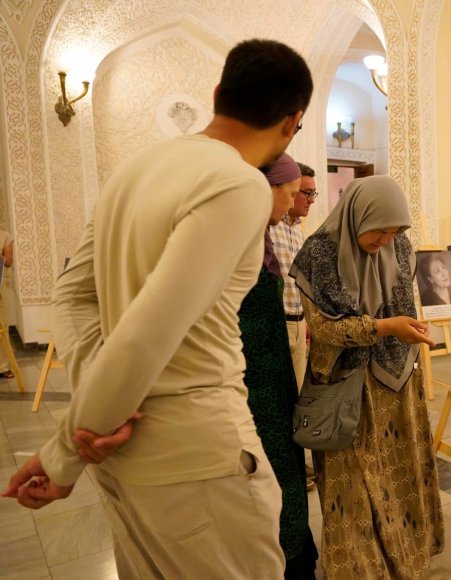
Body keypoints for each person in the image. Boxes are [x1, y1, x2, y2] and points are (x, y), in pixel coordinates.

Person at [2, 39, 313, 578]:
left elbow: (72, 296)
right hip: (197, 457)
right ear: (293, 122)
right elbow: (146, 335)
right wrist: (67, 452)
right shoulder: (241, 184)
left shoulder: (135, 168)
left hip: (124, 456)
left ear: (218, 94)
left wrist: (94, 420)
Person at [290, 176, 444, 578]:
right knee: (353, 489)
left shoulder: (401, 247)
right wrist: (385, 327)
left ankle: (402, 559)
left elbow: (402, 305)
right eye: (379, 230)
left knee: (398, 477)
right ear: (358, 215)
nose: (385, 241)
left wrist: (402, 331)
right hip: (347, 391)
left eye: (394, 232)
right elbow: (324, 329)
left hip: (397, 387)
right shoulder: (318, 255)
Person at [239, 154, 317, 578]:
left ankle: (293, 552)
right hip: (252, 377)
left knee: (283, 460)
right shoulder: (241, 240)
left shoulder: (271, 235)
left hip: (272, 369)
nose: (293, 205)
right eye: (290, 195)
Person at [271, 161, 317, 390]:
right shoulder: (268, 225)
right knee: (277, 392)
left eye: (314, 193)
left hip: (298, 324)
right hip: (276, 324)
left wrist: (306, 320)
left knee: (297, 391)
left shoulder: (298, 231)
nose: (312, 200)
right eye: (307, 193)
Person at [0, 227, 13, 379]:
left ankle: (3, 367)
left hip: (0, 288)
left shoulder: (5, 236)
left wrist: (1, 258)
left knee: (2, 326)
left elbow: (9, 262)